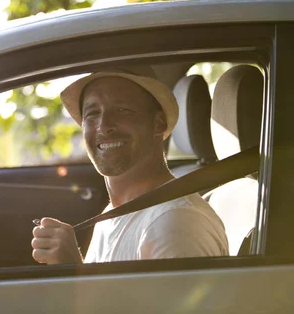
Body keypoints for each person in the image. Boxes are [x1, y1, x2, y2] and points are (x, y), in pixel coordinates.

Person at [31, 66, 228, 264]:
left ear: (158, 123)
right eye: (92, 114)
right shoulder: (113, 214)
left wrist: (72, 270)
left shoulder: (174, 222)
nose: (104, 126)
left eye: (122, 110)